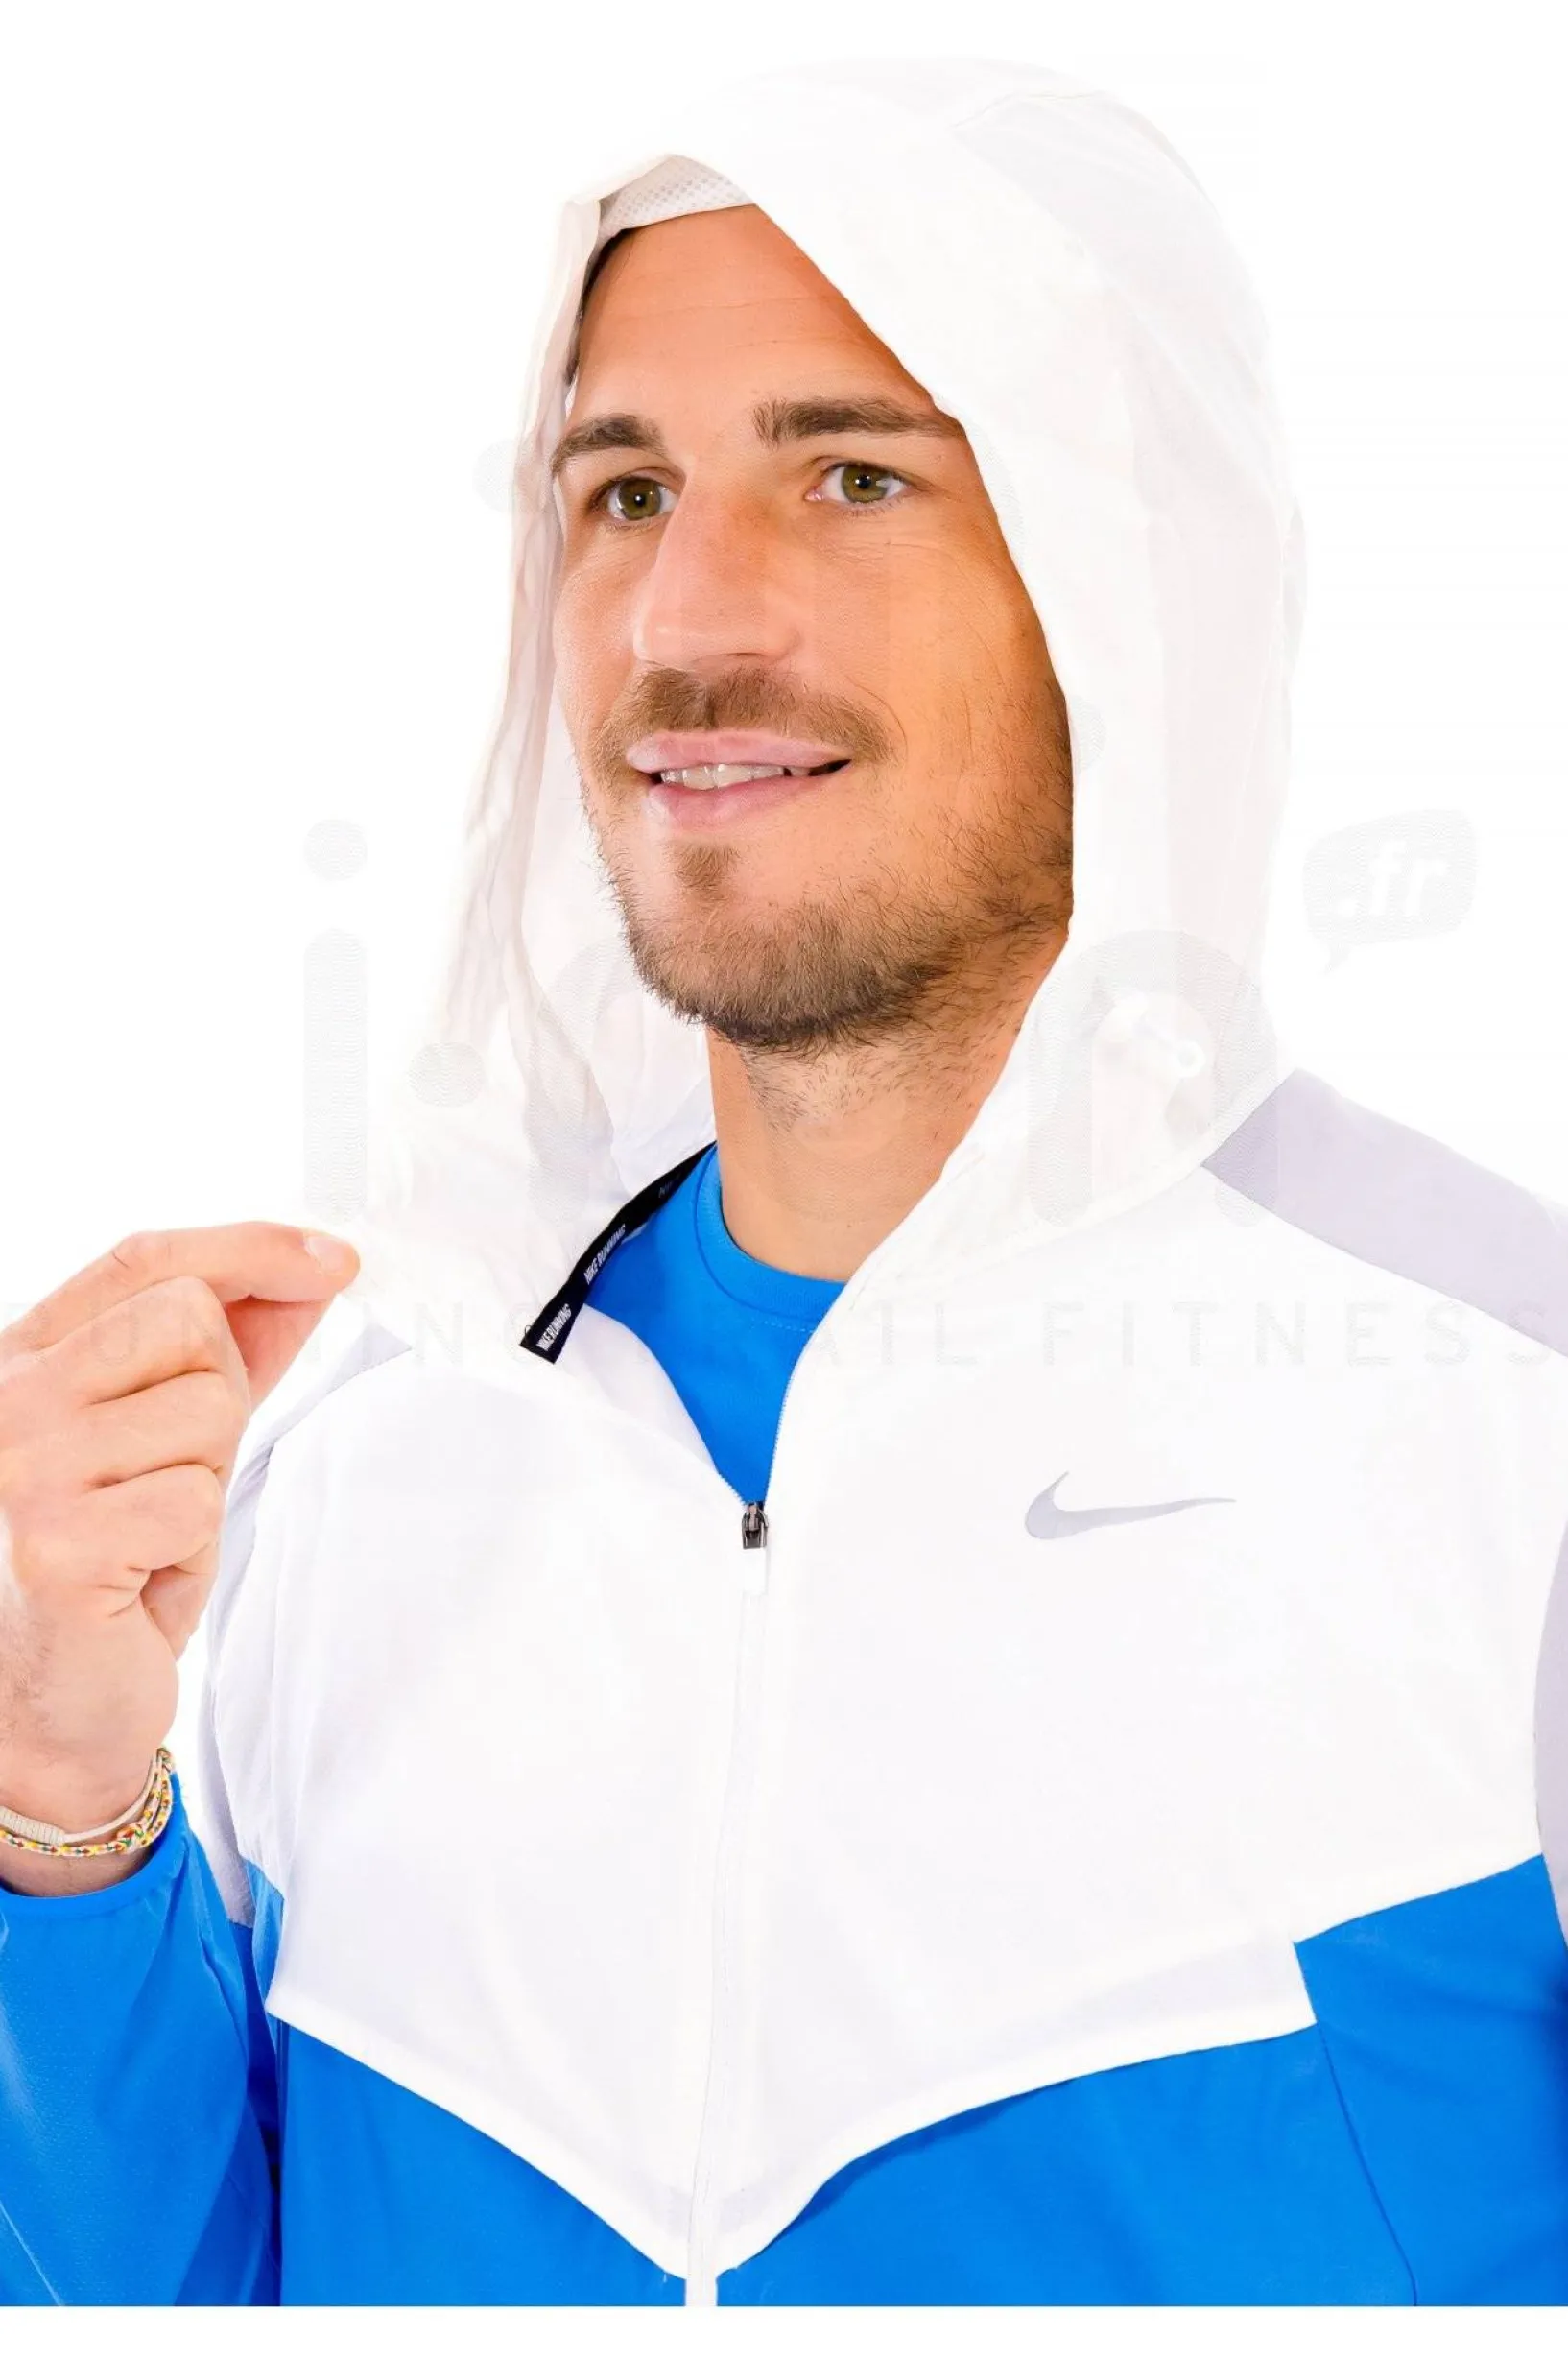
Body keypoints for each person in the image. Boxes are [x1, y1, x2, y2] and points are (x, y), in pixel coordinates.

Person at [2, 59, 1566, 2308]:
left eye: (851, 473)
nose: (685, 617)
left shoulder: (1503, 1432)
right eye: (623, 489)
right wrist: (61, 1800)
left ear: (1123, 582)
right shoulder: (355, 1454)